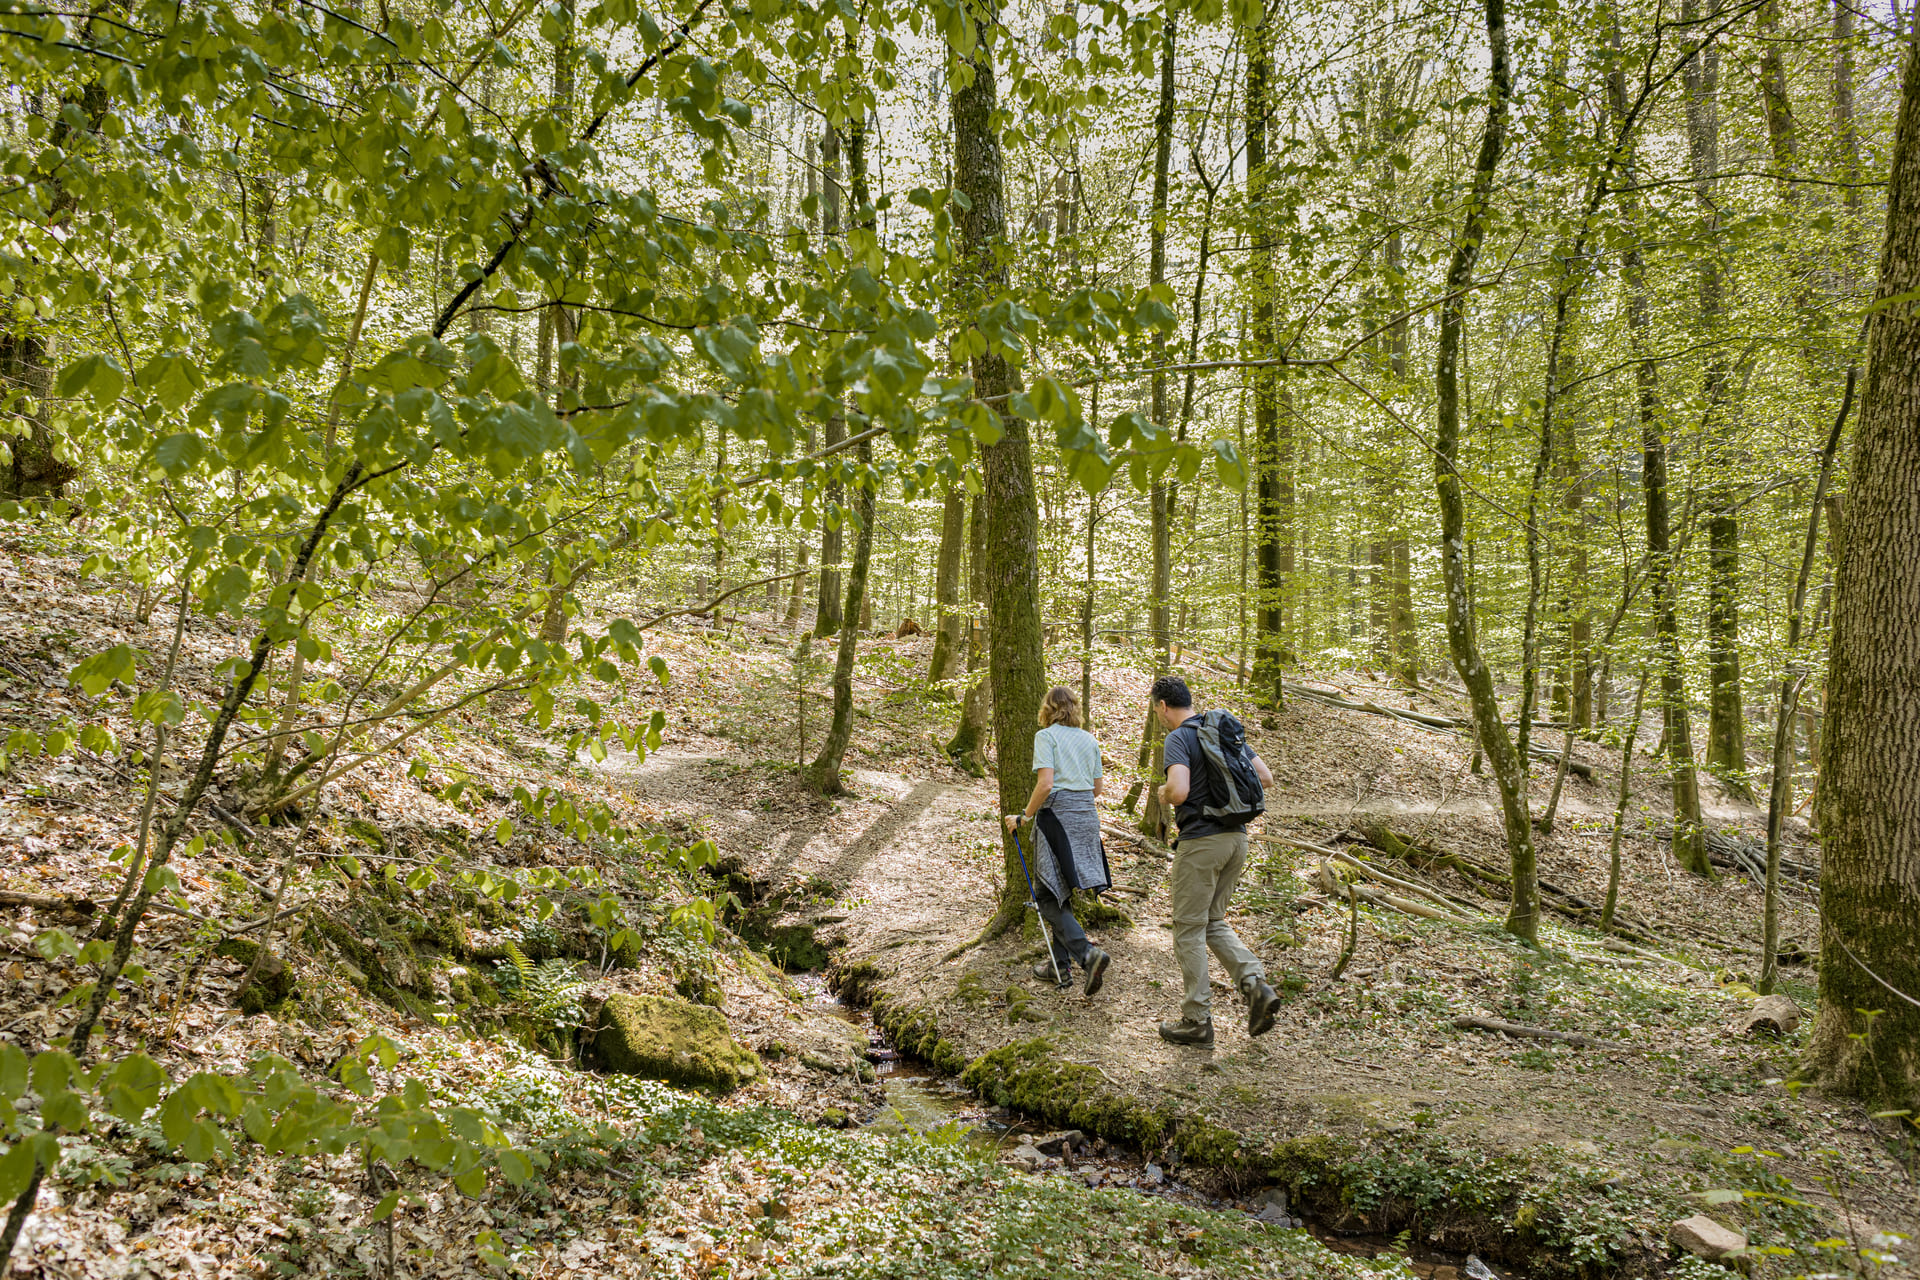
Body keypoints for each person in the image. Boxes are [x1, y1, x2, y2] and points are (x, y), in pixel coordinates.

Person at [1151, 675, 1281, 1046]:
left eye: (1156, 709)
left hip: (1202, 843)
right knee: (1211, 921)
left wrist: (1164, 793)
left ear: (1163, 706)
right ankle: (1256, 986)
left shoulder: (1178, 738)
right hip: (1237, 840)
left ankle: (1196, 1021)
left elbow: (1178, 790)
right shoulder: (1223, 730)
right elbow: (1266, 778)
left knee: (1188, 928)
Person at [1003, 686, 1113, 996]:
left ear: (1048, 709)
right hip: (1086, 817)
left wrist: (1023, 817)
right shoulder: (1089, 739)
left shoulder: (1046, 737)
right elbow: (1097, 788)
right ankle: (1058, 964)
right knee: (1058, 889)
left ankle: (1087, 955)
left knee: (1046, 895)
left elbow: (1046, 784)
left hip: (1057, 817)